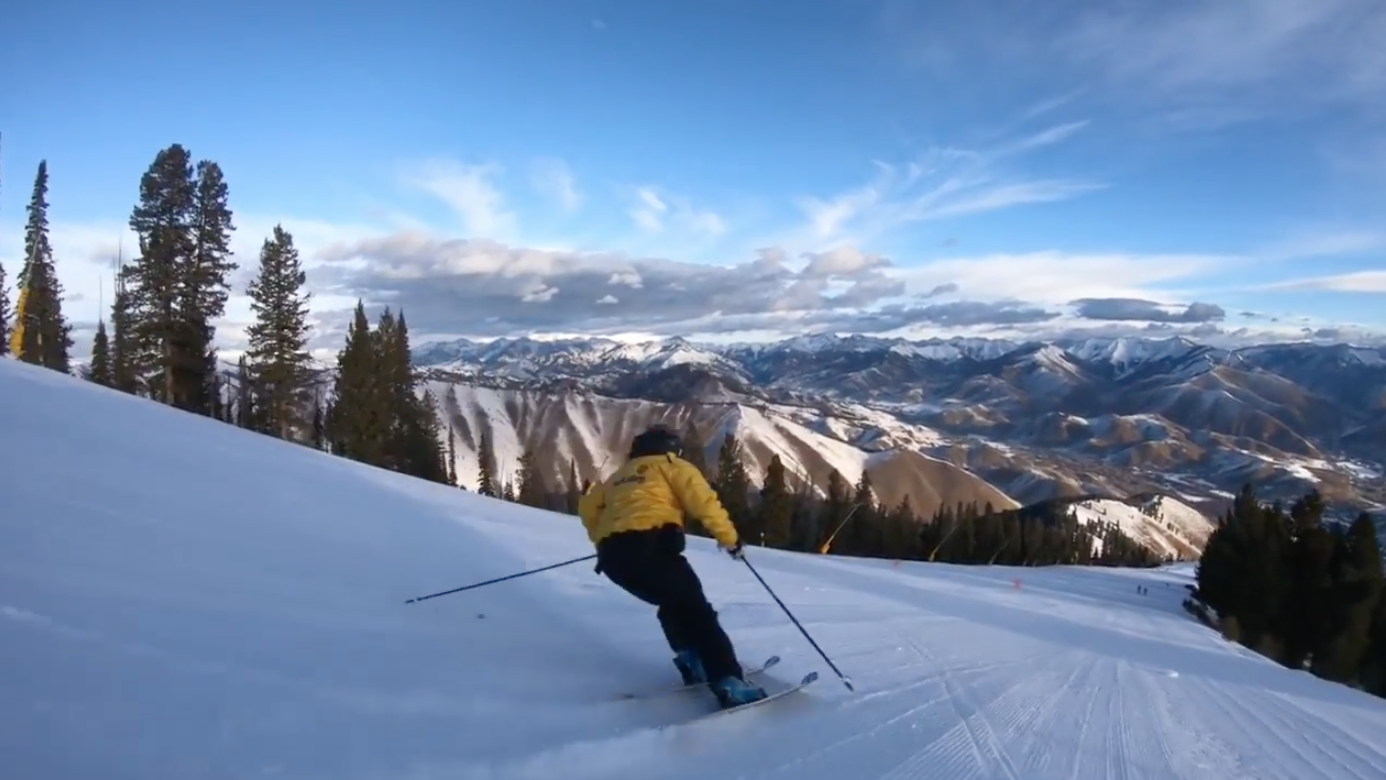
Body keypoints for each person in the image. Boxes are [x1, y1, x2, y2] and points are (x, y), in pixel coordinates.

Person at [578, 424, 768, 708]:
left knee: (672, 602)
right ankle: (728, 680)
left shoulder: (618, 477)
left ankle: (691, 660)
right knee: (697, 610)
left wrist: (604, 541)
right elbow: (704, 503)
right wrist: (730, 540)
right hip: (654, 548)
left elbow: (587, 508)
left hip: (614, 560)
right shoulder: (672, 466)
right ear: (670, 450)